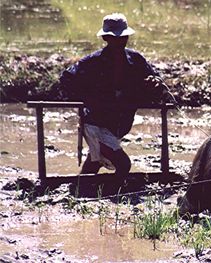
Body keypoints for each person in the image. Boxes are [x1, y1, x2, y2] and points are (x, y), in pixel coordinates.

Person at [59, 13, 170, 182]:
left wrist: (153, 85)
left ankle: (80, 188)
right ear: (105, 38)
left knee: (95, 162)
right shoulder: (93, 62)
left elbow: (155, 79)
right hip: (96, 124)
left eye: (123, 37)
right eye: (114, 38)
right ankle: (116, 194)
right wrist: (89, 98)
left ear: (127, 37)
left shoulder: (136, 60)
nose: (119, 41)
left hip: (119, 123)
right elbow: (66, 79)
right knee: (124, 164)